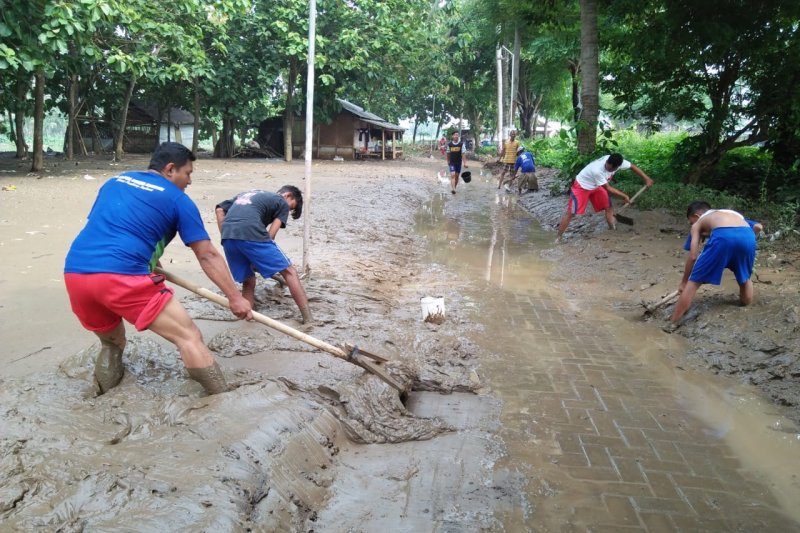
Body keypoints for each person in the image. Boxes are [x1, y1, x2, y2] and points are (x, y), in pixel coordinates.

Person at [64, 142, 253, 395]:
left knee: (112, 343)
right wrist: (235, 297)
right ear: (170, 169)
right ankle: (222, 402)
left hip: (76, 273)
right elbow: (206, 254)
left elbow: (117, 228)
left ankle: (100, 399)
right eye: (188, 173)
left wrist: (151, 262)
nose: (189, 181)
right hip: (122, 275)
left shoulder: (116, 181)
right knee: (189, 338)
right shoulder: (178, 200)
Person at [215, 186, 311, 324]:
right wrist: (258, 259)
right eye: (291, 208)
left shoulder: (246, 193)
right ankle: (309, 320)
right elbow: (271, 235)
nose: (287, 211)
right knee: (290, 272)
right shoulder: (281, 201)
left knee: (248, 281)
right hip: (251, 232)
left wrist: (226, 234)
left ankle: (247, 320)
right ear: (288, 195)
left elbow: (219, 210)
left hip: (228, 237)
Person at [669, 201, 761, 325]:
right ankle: (745, 302)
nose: (692, 225)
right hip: (748, 236)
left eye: (691, 222)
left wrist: (684, 282)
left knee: (693, 282)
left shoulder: (699, 223)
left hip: (723, 237)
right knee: (744, 276)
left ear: (696, 216)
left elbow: (692, 256)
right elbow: (757, 227)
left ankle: (672, 322)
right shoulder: (731, 213)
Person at [556, 153, 654, 241]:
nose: (608, 169)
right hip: (582, 186)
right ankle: (558, 238)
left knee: (608, 207)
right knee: (571, 213)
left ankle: (612, 229)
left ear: (618, 167)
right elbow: (608, 188)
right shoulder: (597, 170)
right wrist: (624, 196)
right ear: (607, 161)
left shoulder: (619, 162)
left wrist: (646, 178)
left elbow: (632, 166)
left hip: (597, 185)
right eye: (607, 166)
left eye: (611, 169)